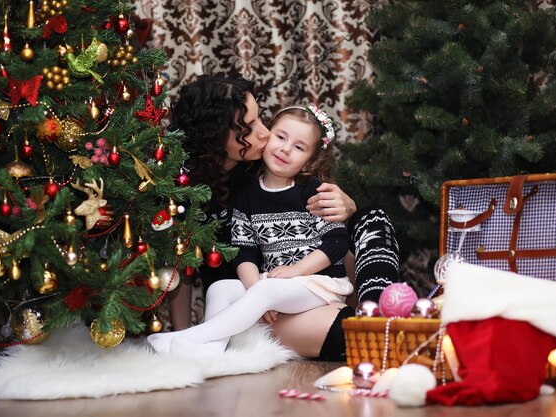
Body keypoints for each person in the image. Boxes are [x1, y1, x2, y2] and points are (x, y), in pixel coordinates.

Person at [165, 73, 400, 360]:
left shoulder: (263, 163)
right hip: (256, 311)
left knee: (373, 216)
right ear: (217, 136)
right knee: (347, 337)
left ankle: (375, 311)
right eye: (249, 127)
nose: (264, 134)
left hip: (308, 288)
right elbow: (179, 272)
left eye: (261, 119)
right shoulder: (181, 192)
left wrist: (346, 204)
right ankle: (201, 340)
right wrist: (181, 335)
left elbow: (331, 230)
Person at [148, 105, 354, 353]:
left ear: (310, 159)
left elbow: (336, 242)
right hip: (276, 283)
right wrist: (255, 292)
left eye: (299, 147)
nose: (285, 149)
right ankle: (213, 349)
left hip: (320, 284)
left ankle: (191, 336)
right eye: (280, 137)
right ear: (267, 136)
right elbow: (243, 250)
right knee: (221, 287)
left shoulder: (313, 191)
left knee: (267, 288)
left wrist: (296, 270)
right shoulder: (246, 196)